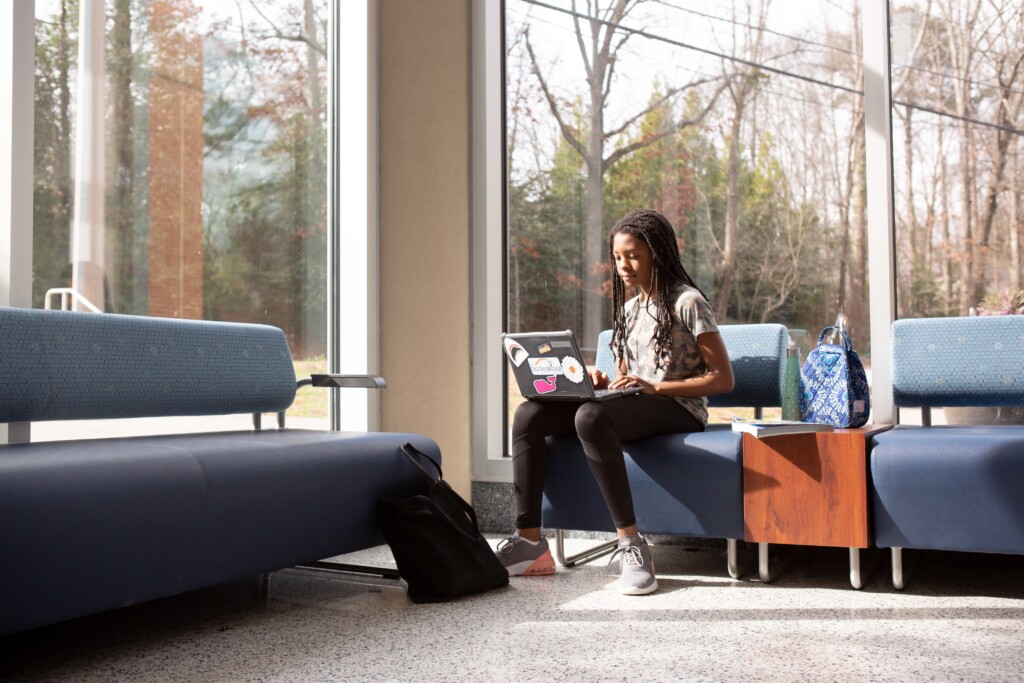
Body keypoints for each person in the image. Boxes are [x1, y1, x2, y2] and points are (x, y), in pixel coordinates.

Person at [495, 208, 735, 595]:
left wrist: (655, 387)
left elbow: (722, 378)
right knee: (529, 413)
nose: (624, 265)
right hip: (636, 402)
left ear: (658, 252)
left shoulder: (688, 302)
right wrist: (601, 380)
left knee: (590, 417)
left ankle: (631, 544)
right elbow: (626, 373)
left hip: (679, 408)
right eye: (618, 257)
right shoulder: (628, 310)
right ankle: (529, 543)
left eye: (634, 255)